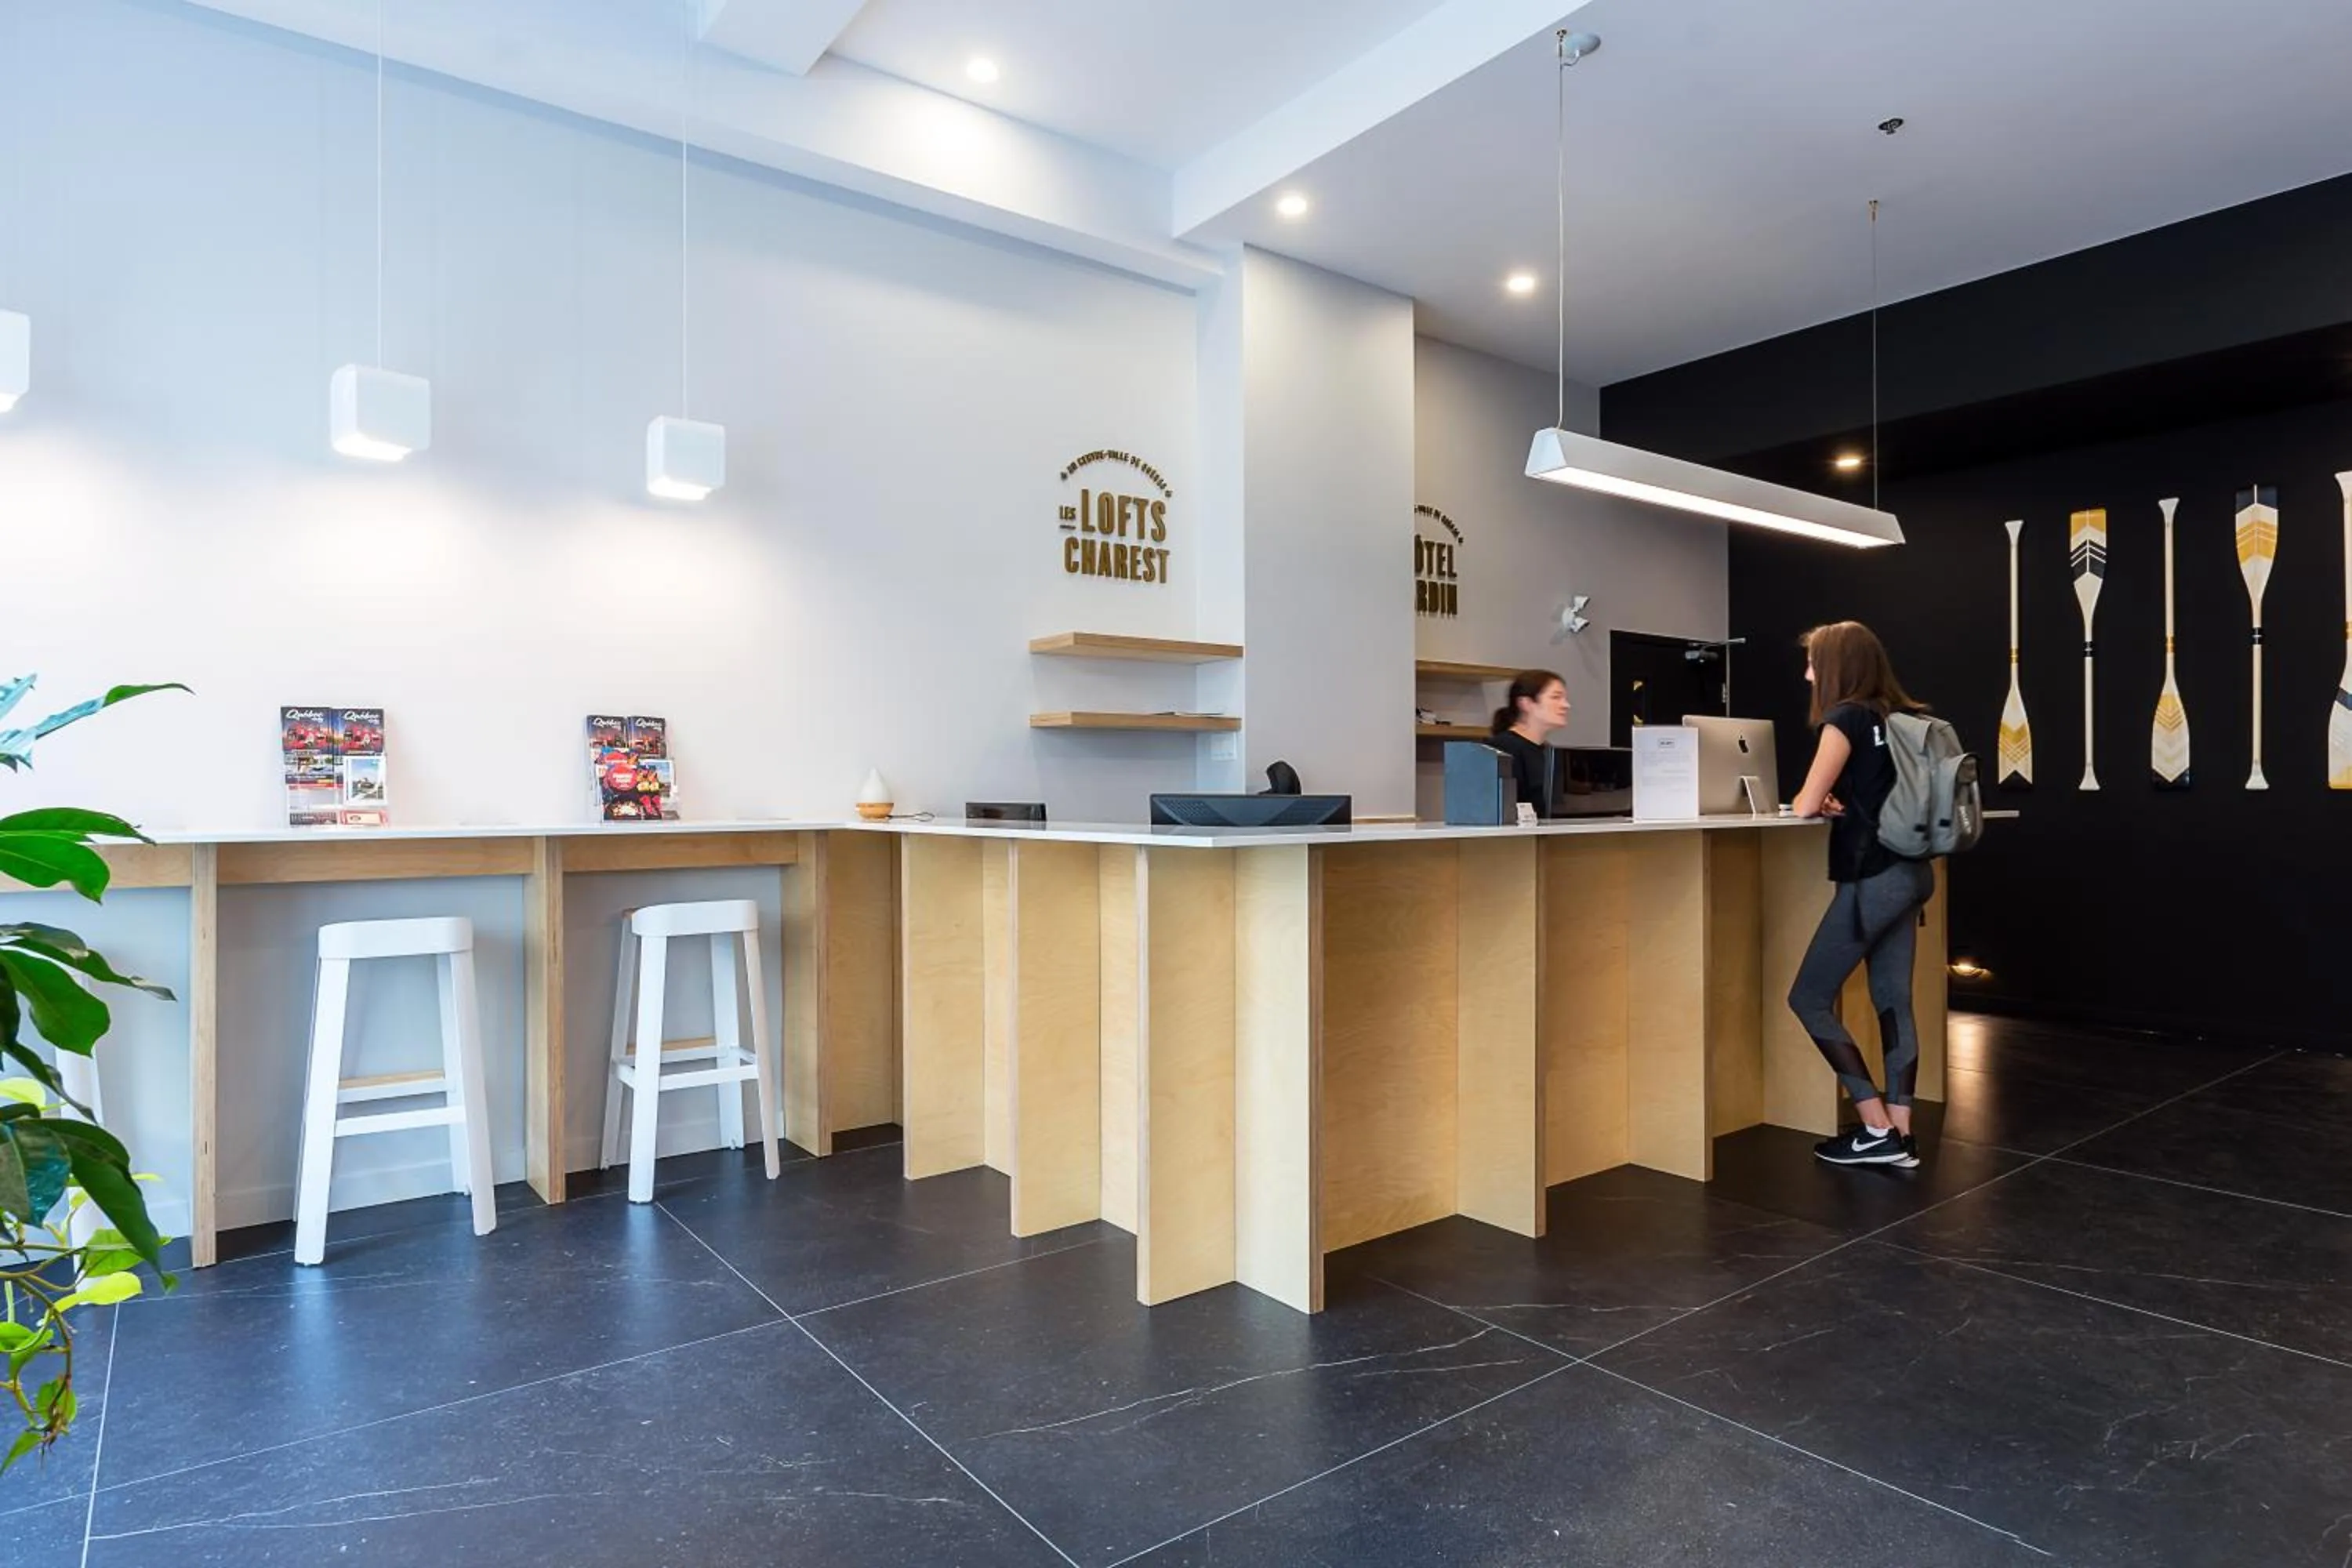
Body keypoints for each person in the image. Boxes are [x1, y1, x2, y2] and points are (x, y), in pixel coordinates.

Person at [1787, 622, 1938, 1168]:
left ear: (1836, 667)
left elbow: (1804, 804)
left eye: (1813, 664)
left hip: (1872, 879)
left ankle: (1875, 1128)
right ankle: (1901, 1132)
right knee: (1893, 999)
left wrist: (1816, 800)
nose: (1808, 675)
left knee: (1808, 998)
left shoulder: (1845, 718)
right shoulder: (1902, 717)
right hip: (1912, 874)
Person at [1488, 670, 1570, 818]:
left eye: (1565, 698)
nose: (1566, 705)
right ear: (1526, 703)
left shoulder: (1551, 752)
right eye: (1556, 697)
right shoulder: (1502, 748)